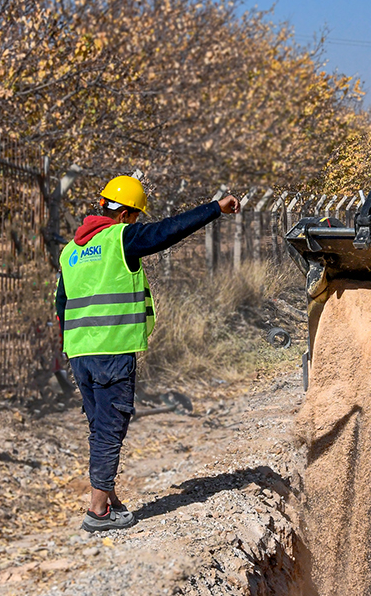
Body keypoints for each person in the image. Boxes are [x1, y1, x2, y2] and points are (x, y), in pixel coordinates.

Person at [55, 175, 239, 532]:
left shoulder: (70, 251)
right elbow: (167, 231)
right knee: (110, 429)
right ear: (124, 213)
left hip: (79, 353)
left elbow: (61, 306)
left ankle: (109, 499)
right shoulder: (119, 238)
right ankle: (98, 513)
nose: (138, 223)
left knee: (99, 427)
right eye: (136, 217)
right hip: (113, 350)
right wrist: (215, 208)